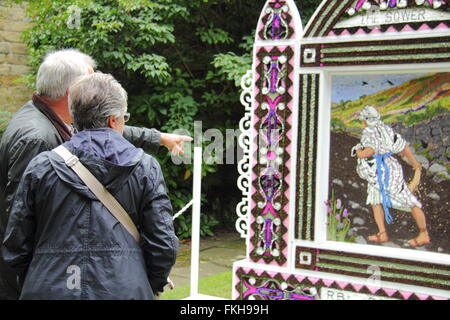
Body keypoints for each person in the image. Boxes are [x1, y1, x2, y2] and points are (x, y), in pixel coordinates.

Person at [0, 48, 190, 299]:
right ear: (115, 120)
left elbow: (16, 243)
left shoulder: (42, 161)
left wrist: (39, 280)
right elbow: (163, 245)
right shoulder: (145, 168)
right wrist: (148, 285)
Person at [354, 106, 430, 247]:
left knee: (407, 200)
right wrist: (414, 162)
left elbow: (369, 151)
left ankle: (424, 233)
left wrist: (358, 151)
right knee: (375, 199)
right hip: (384, 170)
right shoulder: (385, 129)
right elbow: (402, 147)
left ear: (365, 120)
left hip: (382, 171)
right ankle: (382, 233)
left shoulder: (369, 131)